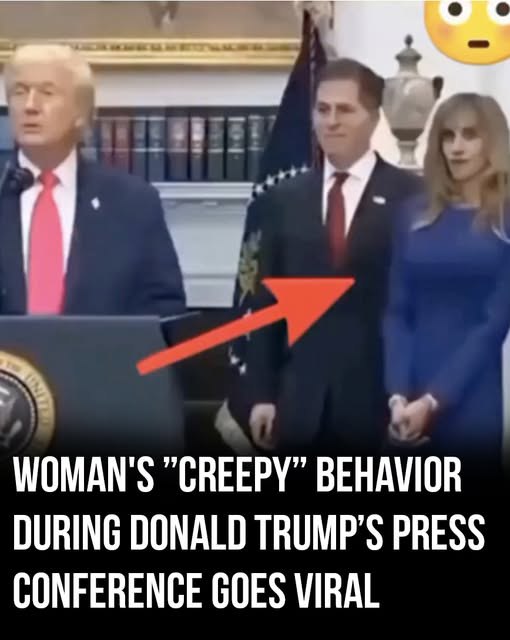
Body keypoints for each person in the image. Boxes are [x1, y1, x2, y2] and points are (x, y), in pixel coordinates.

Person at [246, 58, 422, 454]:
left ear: (373, 118)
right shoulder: (285, 199)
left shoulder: (411, 197)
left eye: (345, 110)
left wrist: (412, 396)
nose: (331, 121)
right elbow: (267, 304)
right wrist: (262, 394)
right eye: (323, 110)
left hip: (380, 405)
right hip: (299, 407)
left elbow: (418, 308)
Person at [0, 43, 186, 319]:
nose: (30, 106)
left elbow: (163, 312)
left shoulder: (133, 203)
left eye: (47, 93)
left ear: (81, 112)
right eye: (20, 92)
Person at [383, 92, 510, 468]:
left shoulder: (505, 220)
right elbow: (397, 311)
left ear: (493, 142)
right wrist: (397, 395)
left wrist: (434, 400)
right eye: (448, 135)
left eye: (470, 135)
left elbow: (494, 324)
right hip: (404, 396)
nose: (456, 147)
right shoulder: (412, 215)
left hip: (472, 394)